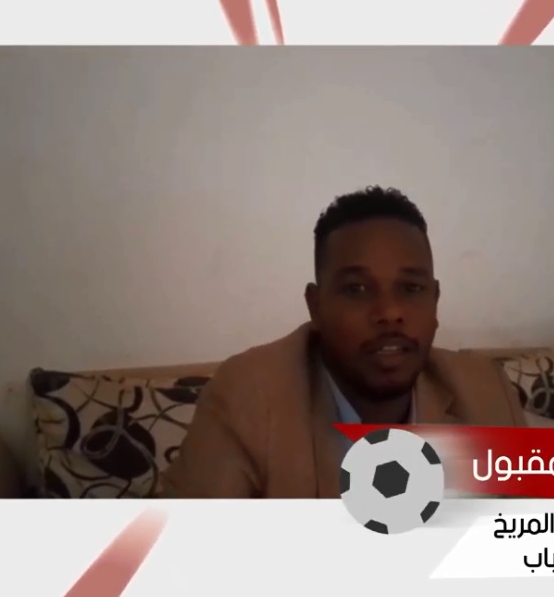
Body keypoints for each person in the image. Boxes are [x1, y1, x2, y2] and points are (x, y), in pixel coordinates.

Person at [162, 186, 527, 498]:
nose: (389, 312)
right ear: (315, 307)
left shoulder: (486, 391)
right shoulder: (248, 399)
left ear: (435, 301)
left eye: (411, 288)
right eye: (357, 289)